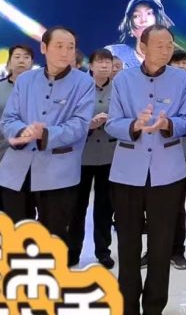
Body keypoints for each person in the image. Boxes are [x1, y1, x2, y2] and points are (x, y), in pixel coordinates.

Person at [106, 24, 186, 315]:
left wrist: (169, 124)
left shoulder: (182, 80)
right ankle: (127, 304)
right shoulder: (123, 79)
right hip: (128, 172)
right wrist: (135, 125)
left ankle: (155, 306)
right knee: (128, 242)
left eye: (170, 45)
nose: (166, 50)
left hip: (167, 173)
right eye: (159, 45)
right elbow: (112, 123)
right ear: (142, 47)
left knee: (161, 243)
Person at [0, 26, 95, 242]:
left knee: (53, 236)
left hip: (58, 171)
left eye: (70, 47)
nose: (65, 52)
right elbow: (8, 119)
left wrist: (46, 133)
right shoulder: (25, 80)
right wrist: (23, 131)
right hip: (17, 169)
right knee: (16, 234)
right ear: (44, 48)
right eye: (59, 46)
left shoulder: (84, 82)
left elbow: (79, 124)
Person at [67, 48, 118, 269]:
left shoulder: (119, 89)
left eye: (108, 62)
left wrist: (112, 121)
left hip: (109, 155)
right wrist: (88, 124)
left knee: (105, 207)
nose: (105, 66)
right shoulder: (79, 87)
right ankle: (72, 251)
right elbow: (70, 117)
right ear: (91, 65)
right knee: (77, 207)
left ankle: (103, 251)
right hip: (81, 155)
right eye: (100, 62)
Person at [0, 44, 34, 212]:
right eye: (17, 57)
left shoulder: (40, 91)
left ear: (32, 63)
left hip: (27, 157)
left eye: (26, 57)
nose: (21, 61)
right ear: (9, 63)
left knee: (23, 210)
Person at [167, 49, 186, 270]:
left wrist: (170, 124)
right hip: (155, 153)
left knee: (177, 204)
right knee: (154, 205)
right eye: (177, 63)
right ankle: (154, 250)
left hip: (182, 152)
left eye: (185, 62)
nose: (181, 66)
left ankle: (177, 250)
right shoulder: (158, 86)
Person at [105, 0, 177, 67]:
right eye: (136, 16)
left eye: (149, 13)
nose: (143, 20)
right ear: (130, 29)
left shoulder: (175, 59)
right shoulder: (114, 53)